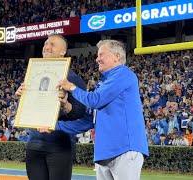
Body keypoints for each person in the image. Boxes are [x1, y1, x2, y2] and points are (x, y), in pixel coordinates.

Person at [58, 40, 149, 180]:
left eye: (101, 54)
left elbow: (94, 100)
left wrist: (71, 87)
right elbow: (88, 121)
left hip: (124, 148)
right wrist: (54, 126)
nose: (97, 59)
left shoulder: (124, 74)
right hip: (104, 152)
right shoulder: (104, 85)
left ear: (117, 57)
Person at [15, 34, 86, 180]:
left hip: (59, 145)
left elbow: (80, 112)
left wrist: (66, 105)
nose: (47, 47)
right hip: (34, 143)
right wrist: (22, 99)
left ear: (63, 51)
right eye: (46, 44)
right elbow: (29, 110)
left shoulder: (72, 79)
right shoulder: (33, 76)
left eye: (52, 44)